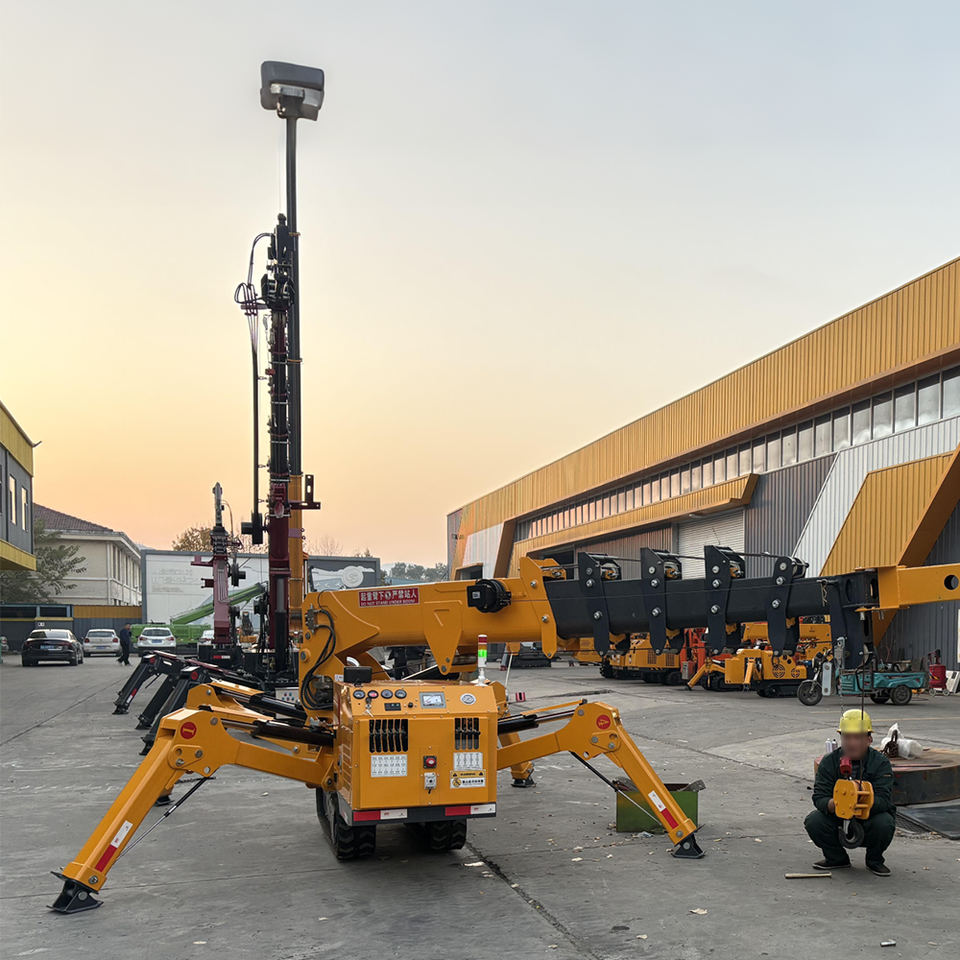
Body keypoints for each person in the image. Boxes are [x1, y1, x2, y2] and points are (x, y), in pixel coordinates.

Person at [805, 708, 896, 876]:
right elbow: (819, 797)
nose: (851, 743)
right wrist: (837, 804)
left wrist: (859, 802)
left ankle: (874, 860)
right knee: (814, 821)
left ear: (869, 740)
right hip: (837, 817)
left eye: (858, 737)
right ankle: (836, 858)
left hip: (869, 818)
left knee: (884, 822)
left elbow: (884, 800)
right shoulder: (829, 762)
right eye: (847, 737)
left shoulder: (881, 763)